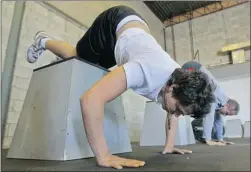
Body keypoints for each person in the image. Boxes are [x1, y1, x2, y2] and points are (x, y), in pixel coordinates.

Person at [26, 6, 215, 169]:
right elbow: (90, 100)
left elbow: (173, 112)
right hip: (113, 23)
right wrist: (104, 156)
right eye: (179, 110)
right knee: (79, 57)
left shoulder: (176, 81)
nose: (176, 114)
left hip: (132, 33)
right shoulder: (144, 70)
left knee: (97, 67)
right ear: (172, 88)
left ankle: (60, 56)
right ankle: (43, 40)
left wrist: (169, 145)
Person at [182, 61, 240, 146]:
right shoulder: (218, 96)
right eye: (227, 113)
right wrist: (207, 139)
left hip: (196, 71)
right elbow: (209, 115)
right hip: (193, 68)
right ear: (227, 106)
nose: (225, 115)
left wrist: (221, 139)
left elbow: (218, 120)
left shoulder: (221, 104)